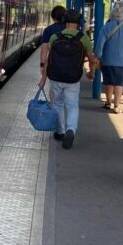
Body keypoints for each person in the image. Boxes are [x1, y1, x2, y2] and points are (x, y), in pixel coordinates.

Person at [38, 9, 96, 150]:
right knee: (72, 106)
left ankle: (61, 132)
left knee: (57, 104)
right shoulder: (83, 38)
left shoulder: (55, 37)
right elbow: (92, 59)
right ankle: (71, 129)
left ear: (65, 22)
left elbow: (47, 60)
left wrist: (43, 79)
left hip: (56, 77)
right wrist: (91, 72)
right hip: (73, 79)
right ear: (79, 23)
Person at [94, 5, 123, 114]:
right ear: (122, 16)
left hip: (108, 61)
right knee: (119, 84)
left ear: (111, 15)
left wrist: (98, 56)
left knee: (109, 82)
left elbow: (100, 43)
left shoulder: (106, 27)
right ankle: (116, 106)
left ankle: (107, 102)